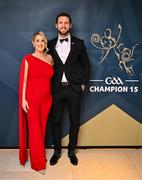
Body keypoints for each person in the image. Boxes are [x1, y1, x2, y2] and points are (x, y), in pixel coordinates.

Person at [48, 12, 90, 166]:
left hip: (74, 89)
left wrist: (83, 83)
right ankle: (57, 151)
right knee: (56, 121)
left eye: (66, 22)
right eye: (60, 22)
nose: (63, 25)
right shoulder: (50, 44)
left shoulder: (79, 43)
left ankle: (71, 151)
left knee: (74, 122)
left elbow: (87, 65)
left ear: (70, 25)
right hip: (57, 89)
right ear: (56, 25)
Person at [19, 31, 54, 174]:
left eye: (43, 41)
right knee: (35, 131)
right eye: (38, 41)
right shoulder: (27, 59)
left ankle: (38, 156)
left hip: (47, 100)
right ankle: (38, 164)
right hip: (32, 100)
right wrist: (23, 100)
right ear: (33, 43)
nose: (40, 43)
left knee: (42, 129)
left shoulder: (50, 58)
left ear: (46, 44)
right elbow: (24, 80)